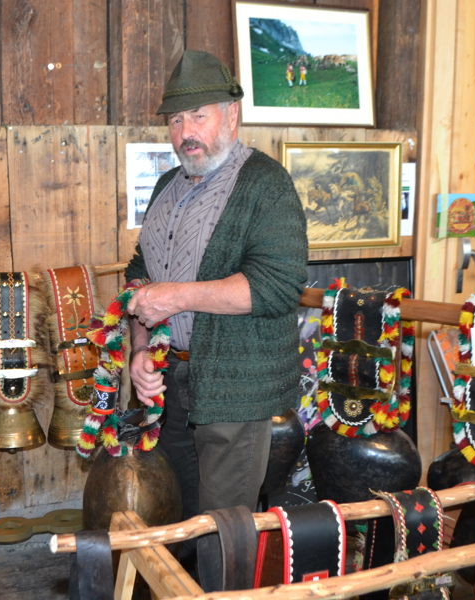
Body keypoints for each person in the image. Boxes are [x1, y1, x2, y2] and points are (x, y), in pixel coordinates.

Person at [125, 50, 308, 523]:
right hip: (168, 385)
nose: (185, 132)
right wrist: (140, 352)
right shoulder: (168, 184)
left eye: (199, 116)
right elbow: (139, 272)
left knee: (223, 530)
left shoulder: (267, 185)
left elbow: (276, 287)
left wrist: (178, 295)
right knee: (174, 517)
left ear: (232, 115)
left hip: (235, 391)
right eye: (176, 119)